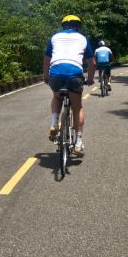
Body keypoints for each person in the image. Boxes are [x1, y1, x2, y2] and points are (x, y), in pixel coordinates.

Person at [42, 14, 95, 154]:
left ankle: (54, 123)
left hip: (56, 74)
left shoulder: (54, 37)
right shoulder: (82, 38)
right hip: (74, 75)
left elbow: (47, 60)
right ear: (78, 26)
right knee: (77, 108)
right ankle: (78, 142)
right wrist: (90, 78)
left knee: (57, 97)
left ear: (63, 26)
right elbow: (92, 62)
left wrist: (46, 77)